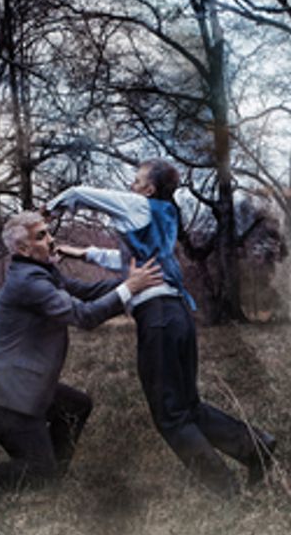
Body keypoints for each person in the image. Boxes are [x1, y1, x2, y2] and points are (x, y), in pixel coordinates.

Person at [47, 159, 277, 496]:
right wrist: (79, 252)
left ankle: (226, 492)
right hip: (177, 315)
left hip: (158, 319)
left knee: (170, 416)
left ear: (149, 188)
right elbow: (129, 263)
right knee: (188, 406)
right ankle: (256, 446)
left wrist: (49, 207)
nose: (131, 184)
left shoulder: (139, 205)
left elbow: (81, 193)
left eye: (137, 179)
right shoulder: (164, 214)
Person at [0, 211, 164, 493]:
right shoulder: (30, 283)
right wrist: (129, 288)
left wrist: (134, 281)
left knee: (76, 406)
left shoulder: (41, 273)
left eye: (48, 232)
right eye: (41, 236)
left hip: (17, 385)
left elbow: (87, 291)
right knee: (37, 470)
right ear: (23, 249)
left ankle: (51, 482)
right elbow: (84, 316)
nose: (51, 240)